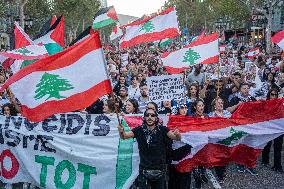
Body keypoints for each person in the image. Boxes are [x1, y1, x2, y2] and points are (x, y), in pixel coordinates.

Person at [117, 108, 181, 189]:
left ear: (156, 118)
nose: (150, 117)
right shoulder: (139, 130)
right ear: (144, 118)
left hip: (160, 170)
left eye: (152, 115)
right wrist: (121, 131)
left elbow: (176, 138)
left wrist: (178, 134)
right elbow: (124, 136)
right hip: (144, 170)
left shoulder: (163, 129)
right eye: (147, 115)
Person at [261, 89, 283, 173]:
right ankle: (265, 160)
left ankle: (277, 166)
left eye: (275, 95)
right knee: (267, 145)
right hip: (268, 129)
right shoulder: (265, 104)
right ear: (269, 95)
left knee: (278, 147)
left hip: (278, 129)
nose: (273, 96)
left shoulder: (280, 104)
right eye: (272, 94)